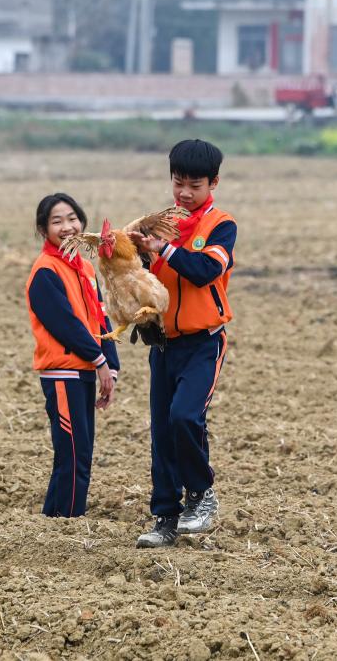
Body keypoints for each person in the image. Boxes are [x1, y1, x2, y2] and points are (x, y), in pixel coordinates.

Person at [129, 140, 236, 548]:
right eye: (178, 183)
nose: (185, 193)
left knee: (184, 417)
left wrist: (164, 249)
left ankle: (202, 494)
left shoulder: (221, 225)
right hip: (164, 345)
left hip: (203, 343)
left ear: (214, 183)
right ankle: (165, 519)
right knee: (161, 431)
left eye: (195, 185)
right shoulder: (155, 225)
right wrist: (127, 255)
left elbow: (205, 270)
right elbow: (139, 276)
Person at [26, 193, 120, 517]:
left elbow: (100, 317)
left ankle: (54, 521)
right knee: (74, 454)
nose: (67, 227)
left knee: (79, 452)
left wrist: (113, 367)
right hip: (63, 374)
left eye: (72, 219)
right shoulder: (45, 272)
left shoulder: (84, 268)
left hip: (84, 370)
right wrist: (101, 362)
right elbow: (67, 326)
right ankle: (68, 524)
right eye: (57, 221)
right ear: (43, 230)